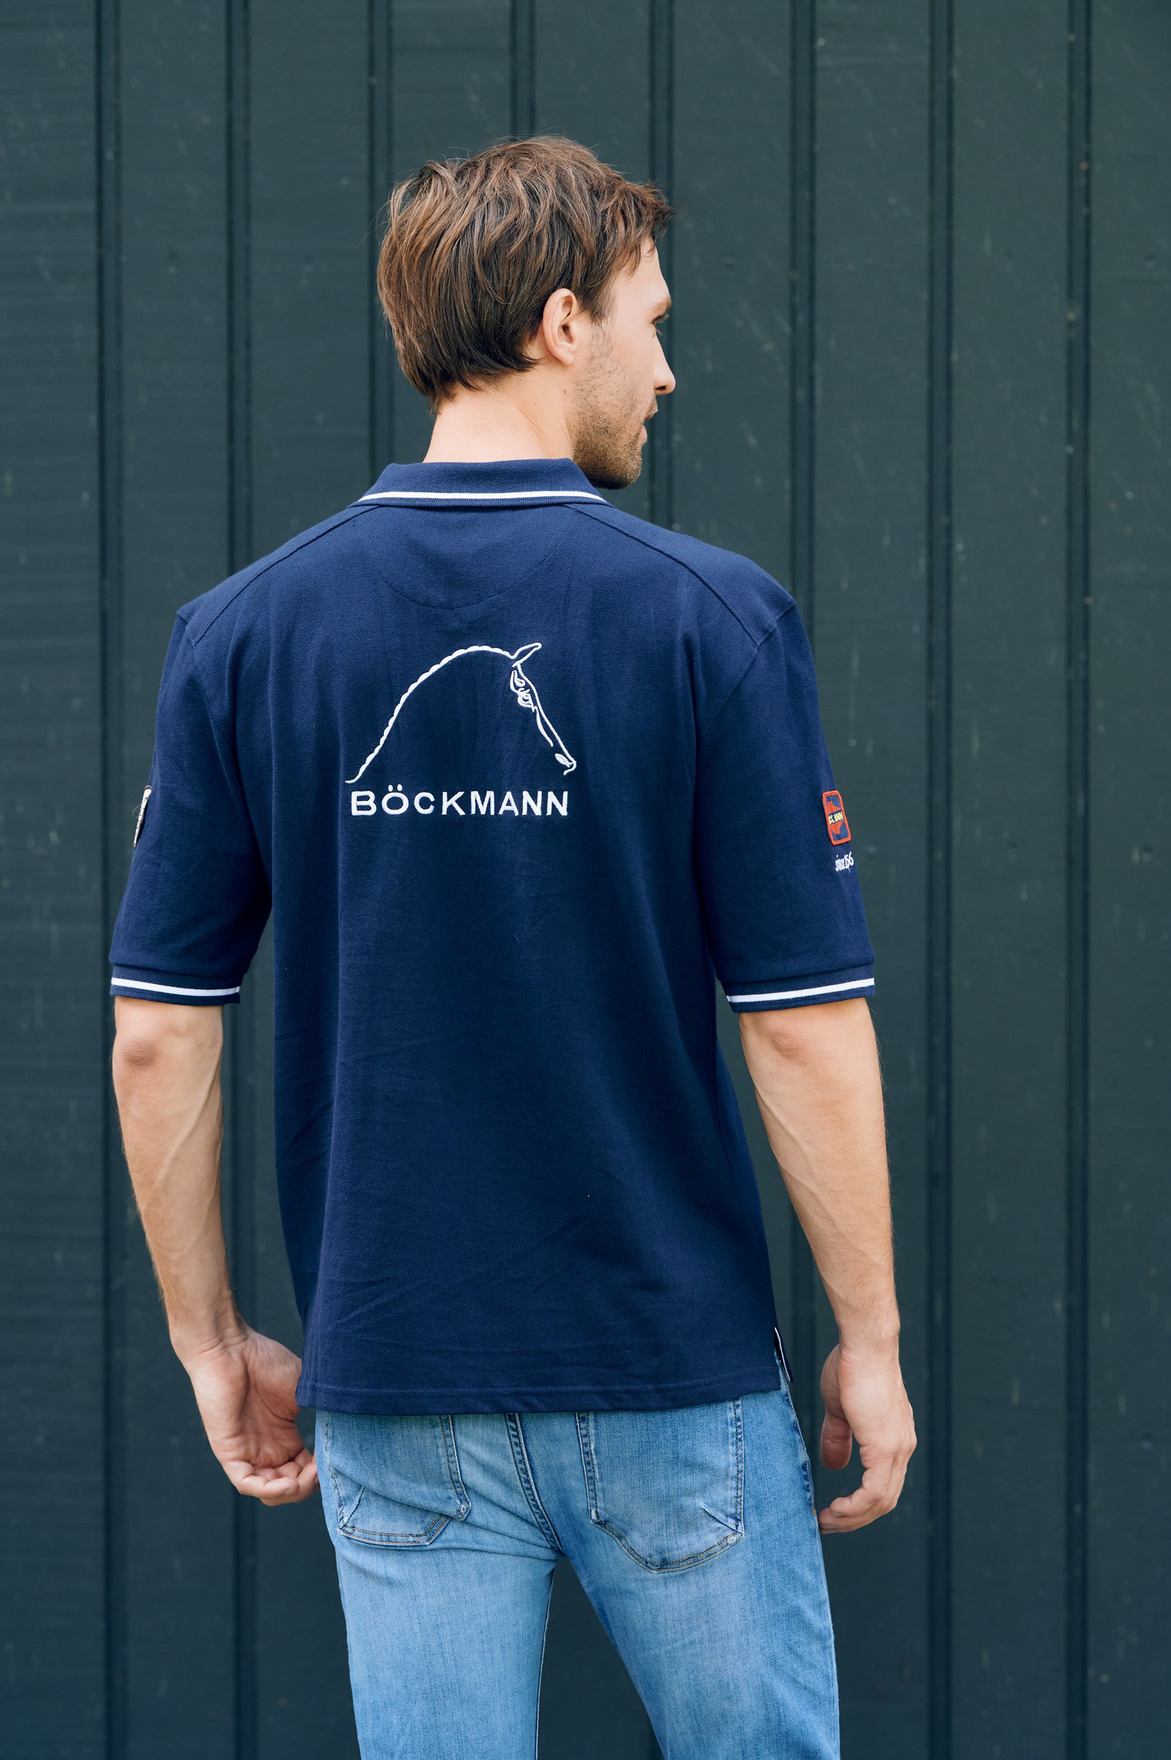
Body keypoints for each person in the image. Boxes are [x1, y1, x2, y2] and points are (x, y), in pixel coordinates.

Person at [108, 134, 916, 1759]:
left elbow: (159, 1028)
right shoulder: (711, 619)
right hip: (670, 1372)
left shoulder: (245, 632)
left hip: (395, 1377)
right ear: (561, 323)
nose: (667, 371)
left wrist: (207, 1340)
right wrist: (872, 1341)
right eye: (650, 322)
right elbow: (798, 1020)